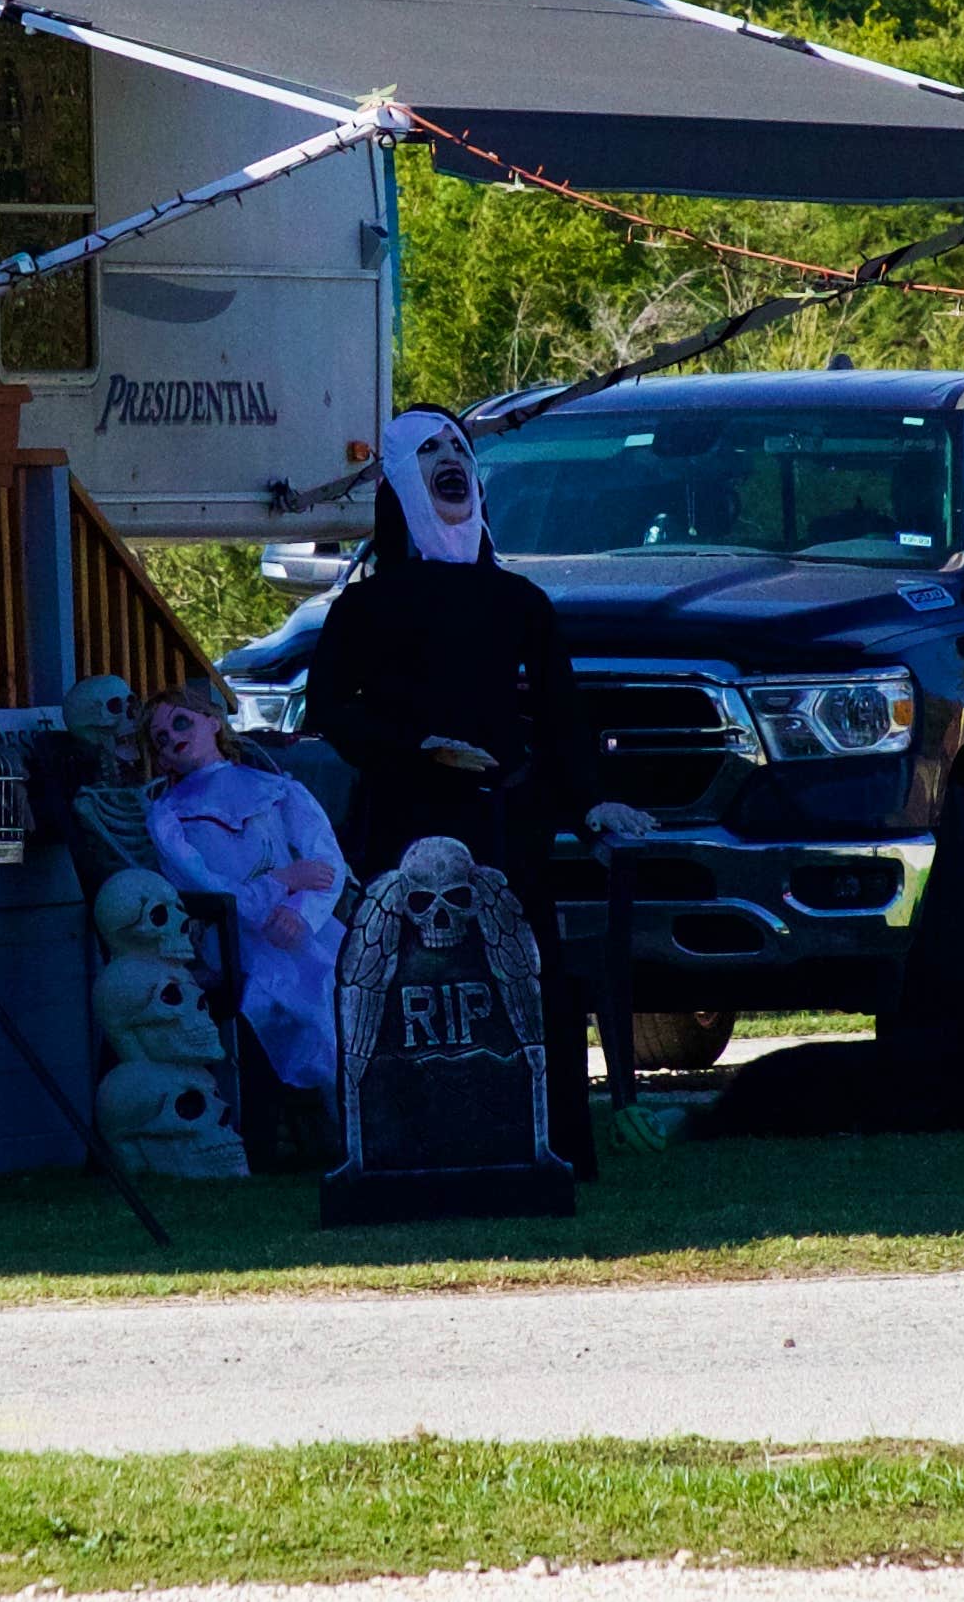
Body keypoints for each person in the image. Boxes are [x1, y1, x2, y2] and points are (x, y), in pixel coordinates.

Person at [297, 405, 644, 1157]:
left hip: (507, 825)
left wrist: (590, 803)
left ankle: (546, 1145)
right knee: (414, 982)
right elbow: (328, 708)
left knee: (525, 973)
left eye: (458, 445)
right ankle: (420, 1142)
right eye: (428, 450)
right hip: (404, 820)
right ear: (399, 479)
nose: (450, 457)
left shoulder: (521, 602)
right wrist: (418, 749)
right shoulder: (364, 605)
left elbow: (561, 715)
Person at [136, 681, 348, 1105]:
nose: (175, 738)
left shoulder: (278, 790)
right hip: (237, 939)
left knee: (346, 983)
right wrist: (282, 882)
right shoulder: (168, 817)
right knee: (296, 998)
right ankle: (336, 1113)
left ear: (213, 723)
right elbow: (207, 887)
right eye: (163, 738)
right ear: (159, 757)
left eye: (182, 723)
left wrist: (301, 913)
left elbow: (325, 863)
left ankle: (363, 1118)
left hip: (305, 927)